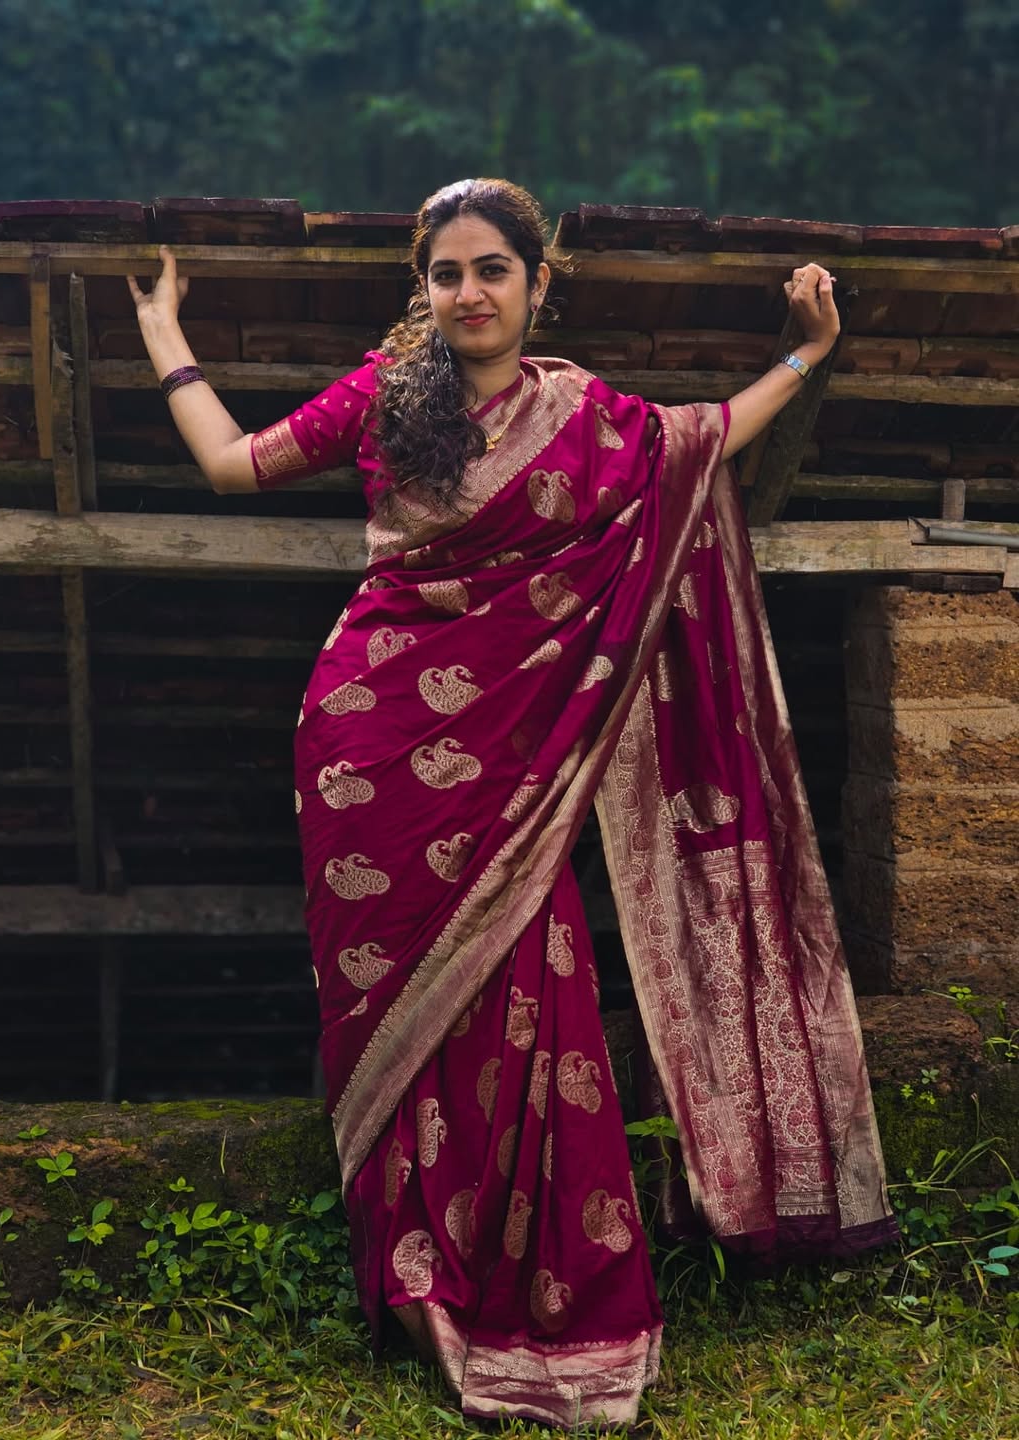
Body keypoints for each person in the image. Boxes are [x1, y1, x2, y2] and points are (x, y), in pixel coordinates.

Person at [129, 178, 897, 1428]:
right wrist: (165, 334)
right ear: (423, 290)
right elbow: (231, 464)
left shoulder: (584, 413)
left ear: (539, 283)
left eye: (493, 269)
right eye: (447, 272)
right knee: (393, 1013)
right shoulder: (387, 398)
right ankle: (419, 1280)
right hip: (368, 749)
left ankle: (532, 1288)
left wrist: (807, 354)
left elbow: (702, 439)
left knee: (528, 988)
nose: (469, 292)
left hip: (514, 768)